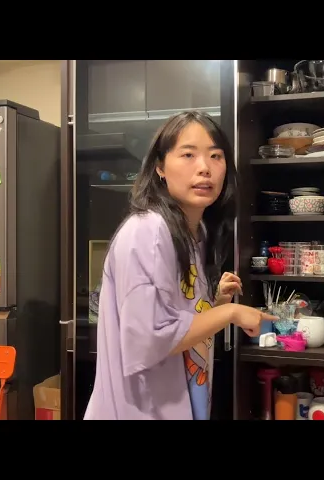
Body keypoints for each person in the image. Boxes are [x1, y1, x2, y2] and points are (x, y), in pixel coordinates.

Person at [84, 111, 277, 420]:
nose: (204, 168)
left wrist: (216, 305)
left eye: (216, 156)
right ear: (160, 167)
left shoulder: (195, 233)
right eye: (188, 154)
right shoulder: (147, 231)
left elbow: (178, 322)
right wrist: (230, 313)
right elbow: (149, 340)